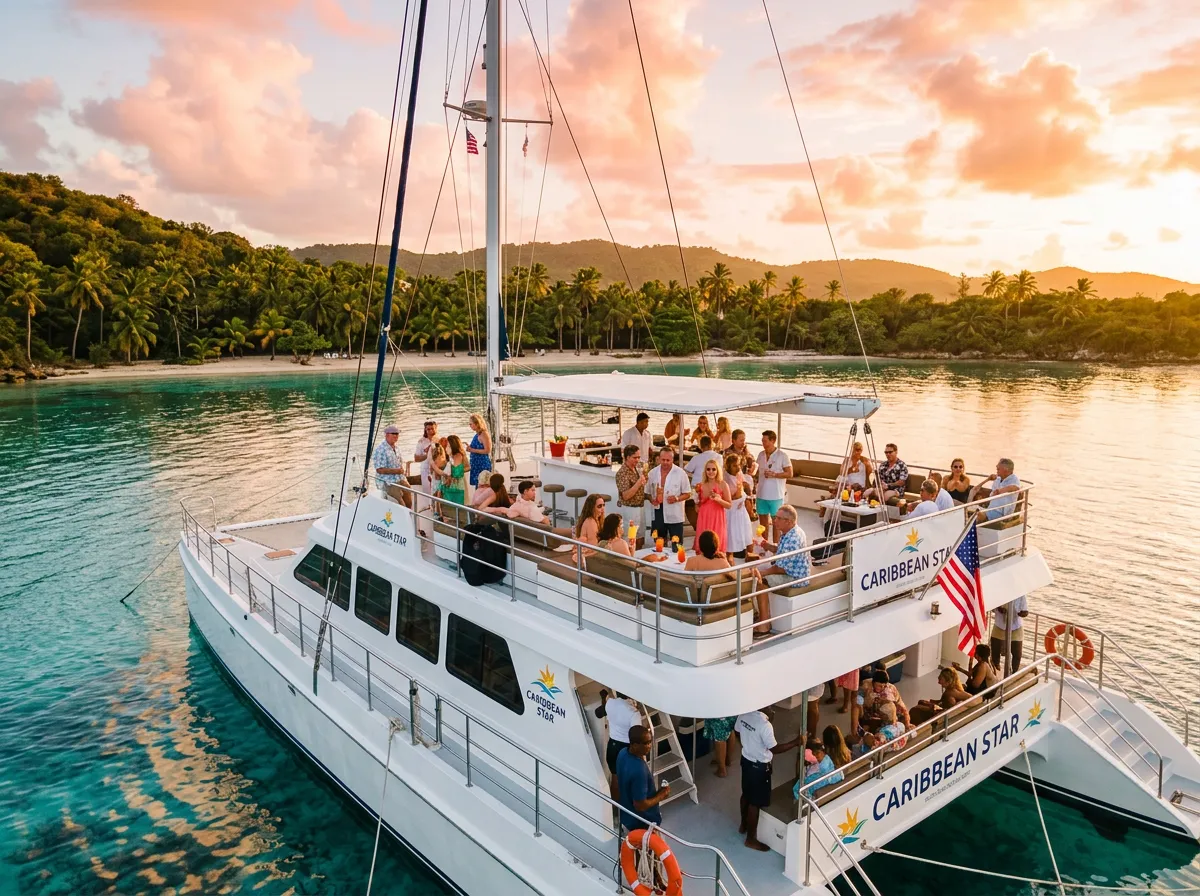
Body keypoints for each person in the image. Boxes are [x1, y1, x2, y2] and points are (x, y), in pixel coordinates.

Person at [735, 708, 800, 851]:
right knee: (755, 803)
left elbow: (737, 731)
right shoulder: (765, 725)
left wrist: (749, 745)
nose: (772, 709)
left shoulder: (744, 713)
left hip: (746, 760)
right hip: (759, 767)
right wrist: (796, 742)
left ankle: (743, 825)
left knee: (746, 794)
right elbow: (775, 749)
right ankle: (750, 839)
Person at [756, 505, 809, 638]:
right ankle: (761, 613)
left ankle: (764, 625)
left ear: (789, 521)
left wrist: (762, 573)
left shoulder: (793, 538)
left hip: (794, 577)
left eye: (779, 518)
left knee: (760, 581)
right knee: (755, 571)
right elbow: (780, 551)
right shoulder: (789, 532)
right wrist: (765, 545)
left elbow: (781, 568)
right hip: (789, 570)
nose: (775, 520)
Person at [616, 725, 670, 832]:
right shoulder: (639, 770)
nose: (650, 745)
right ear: (635, 745)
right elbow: (640, 805)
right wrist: (661, 795)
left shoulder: (622, 753)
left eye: (650, 741)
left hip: (627, 817)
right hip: (643, 824)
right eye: (646, 743)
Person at [597, 689, 641, 801]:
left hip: (612, 747)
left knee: (615, 781)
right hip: (626, 749)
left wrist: (604, 697)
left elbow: (600, 711)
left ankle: (616, 810)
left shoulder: (610, 703)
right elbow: (637, 735)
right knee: (632, 781)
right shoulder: (634, 713)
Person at [645, 447, 691, 544]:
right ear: (659, 458)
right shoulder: (652, 473)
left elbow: (687, 493)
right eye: (663, 460)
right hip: (657, 513)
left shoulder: (681, 473)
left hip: (675, 514)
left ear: (672, 459)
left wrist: (677, 498)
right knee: (658, 543)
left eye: (668, 460)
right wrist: (651, 499)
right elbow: (647, 492)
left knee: (677, 545)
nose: (665, 462)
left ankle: (676, 559)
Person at [755, 430, 792, 534]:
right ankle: (764, 546)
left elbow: (789, 473)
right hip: (761, 494)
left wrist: (775, 475)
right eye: (762, 441)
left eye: (765, 441)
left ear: (773, 441)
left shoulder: (782, 455)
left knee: (777, 524)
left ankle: (776, 547)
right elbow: (757, 472)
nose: (763, 443)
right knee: (762, 523)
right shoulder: (760, 455)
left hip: (776, 496)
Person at [692, 459, 731, 553]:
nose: (711, 472)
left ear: (718, 470)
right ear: (705, 471)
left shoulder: (723, 484)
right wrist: (697, 501)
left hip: (717, 517)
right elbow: (697, 508)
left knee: (716, 544)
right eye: (708, 469)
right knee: (702, 546)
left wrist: (719, 499)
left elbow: (729, 505)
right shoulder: (701, 485)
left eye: (714, 469)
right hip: (704, 517)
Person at [724, 454, 755, 559]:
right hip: (731, 511)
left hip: (741, 509)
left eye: (738, 465)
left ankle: (750, 556)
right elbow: (729, 497)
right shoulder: (725, 479)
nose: (738, 468)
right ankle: (730, 558)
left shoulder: (739, 473)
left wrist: (746, 487)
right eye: (734, 465)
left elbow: (744, 484)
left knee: (747, 533)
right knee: (731, 534)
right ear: (728, 466)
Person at [614, 444, 650, 535]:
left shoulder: (636, 468)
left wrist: (649, 497)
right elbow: (626, 496)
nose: (637, 460)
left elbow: (639, 490)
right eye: (635, 458)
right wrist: (638, 483)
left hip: (640, 507)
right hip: (630, 509)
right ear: (627, 457)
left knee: (641, 536)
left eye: (639, 457)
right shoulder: (622, 473)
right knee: (631, 538)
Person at [973, 458, 1022, 523]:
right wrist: (989, 479)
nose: (996, 467)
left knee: (977, 515)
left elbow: (1015, 487)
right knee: (969, 510)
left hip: (1001, 513)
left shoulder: (1014, 479)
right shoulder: (998, 479)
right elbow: (992, 494)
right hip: (991, 509)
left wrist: (1001, 490)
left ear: (1006, 469)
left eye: (999, 467)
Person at [990, 595, 1029, 675]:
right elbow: (992, 607)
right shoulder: (999, 592)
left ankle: (1014, 672)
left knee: (1017, 653)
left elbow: (1026, 611)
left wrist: (1022, 613)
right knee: (995, 651)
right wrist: (998, 608)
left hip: (1015, 625)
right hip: (1000, 624)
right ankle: (995, 671)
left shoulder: (1021, 595)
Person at [372, 424, 408, 500]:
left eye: (397, 434)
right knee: (400, 503)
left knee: (409, 491)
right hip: (388, 481)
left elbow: (400, 462)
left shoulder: (397, 447)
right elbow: (379, 469)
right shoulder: (380, 449)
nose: (396, 436)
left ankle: (410, 510)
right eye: (393, 433)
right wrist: (397, 471)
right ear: (387, 435)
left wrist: (401, 470)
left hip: (400, 477)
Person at [413, 420, 438, 511]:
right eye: (428, 429)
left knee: (437, 490)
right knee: (427, 490)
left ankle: (437, 508)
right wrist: (427, 454)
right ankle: (429, 508)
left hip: (437, 469)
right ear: (425, 430)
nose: (431, 431)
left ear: (436, 428)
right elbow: (416, 458)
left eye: (432, 429)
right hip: (426, 469)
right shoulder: (421, 442)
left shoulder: (439, 440)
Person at [466, 413, 493, 495]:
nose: (469, 425)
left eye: (471, 424)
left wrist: (472, 450)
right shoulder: (477, 434)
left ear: (477, 423)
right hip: (476, 464)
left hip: (481, 464)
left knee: (483, 485)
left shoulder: (484, 434)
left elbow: (487, 450)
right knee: (478, 486)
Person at [574, 494, 606, 560]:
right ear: (592, 508)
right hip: (589, 557)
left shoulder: (597, 519)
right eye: (599, 506)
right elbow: (593, 548)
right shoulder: (591, 522)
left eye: (603, 505)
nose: (603, 508)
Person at [441, 435, 467, 506]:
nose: (446, 448)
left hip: (457, 485)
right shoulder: (451, 455)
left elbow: (456, 473)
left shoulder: (457, 455)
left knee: (456, 505)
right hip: (452, 484)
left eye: (448, 446)